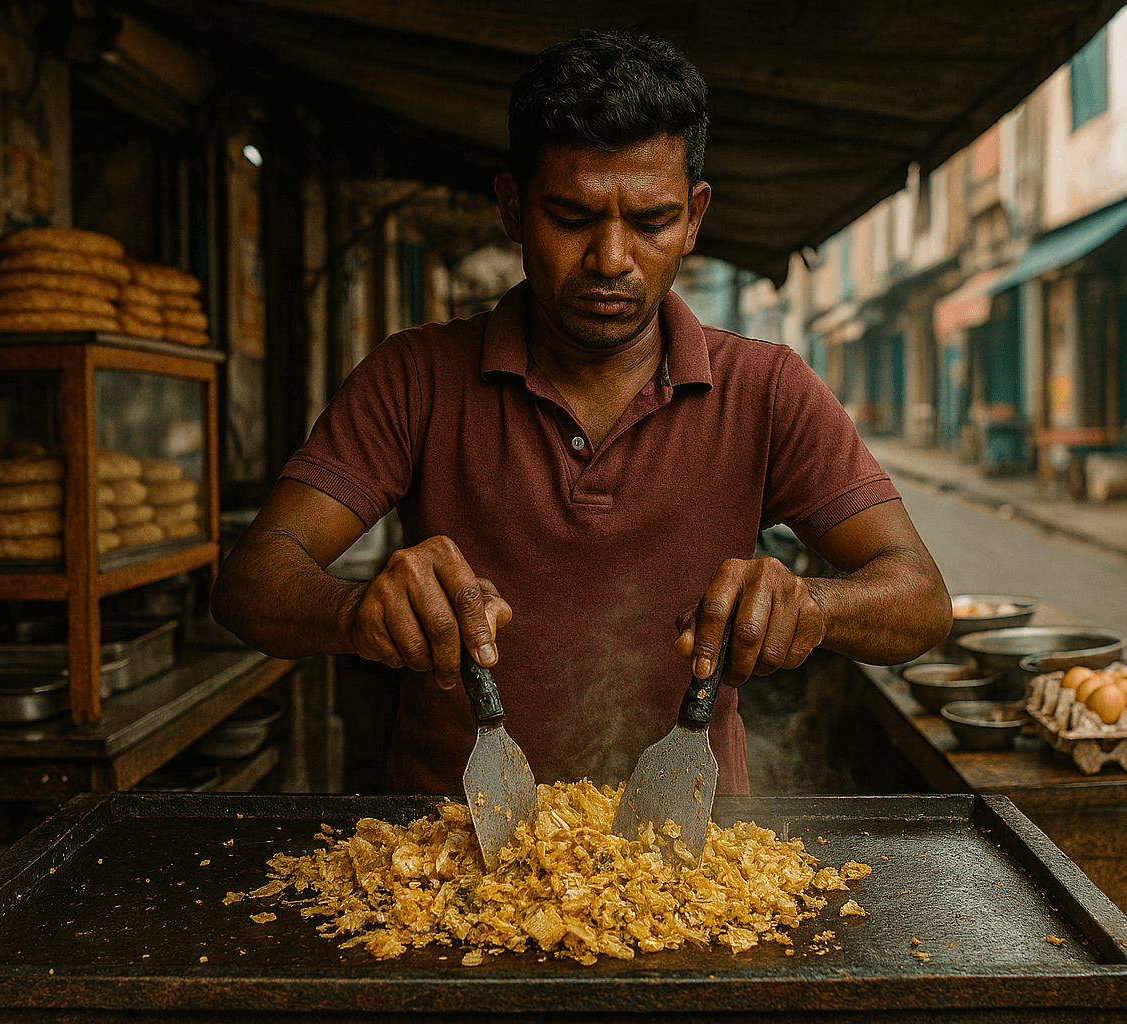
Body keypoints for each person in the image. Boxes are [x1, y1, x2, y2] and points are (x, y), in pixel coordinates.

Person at [211, 30, 951, 794]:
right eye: (571, 216)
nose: (610, 258)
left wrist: (813, 606)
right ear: (512, 206)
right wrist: (355, 609)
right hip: (448, 851)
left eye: (651, 221)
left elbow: (922, 600)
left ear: (695, 217)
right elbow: (250, 584)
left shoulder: (766, 388)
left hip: (694, 853)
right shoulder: (416, 376)